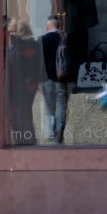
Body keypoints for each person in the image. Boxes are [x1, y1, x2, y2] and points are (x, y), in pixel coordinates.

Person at [6, 20, 40, 146]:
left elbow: (27, 65)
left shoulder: (27, 46)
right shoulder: (22, 46)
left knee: (22, 113)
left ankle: (25, 139)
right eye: (10, 31)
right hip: (20, 85)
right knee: (19, 114)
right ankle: (24, 138)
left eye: (13, 31)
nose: (11, 34)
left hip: (23, 85)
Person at [39, 15, 69, 144]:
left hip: (46, 78)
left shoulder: (42, 39)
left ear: (48, 25)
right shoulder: (65, 38)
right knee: (61, 105)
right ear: (59, 25)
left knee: (49, 106)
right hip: (61, 78)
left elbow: (38, 61)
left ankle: (50, 132)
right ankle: (59, 133)